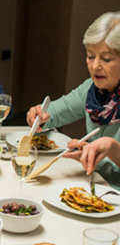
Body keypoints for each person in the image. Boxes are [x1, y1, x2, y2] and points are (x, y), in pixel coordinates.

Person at [26, 11, 120, 189]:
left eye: (106, 59)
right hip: (96, 188)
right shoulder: (92, 89)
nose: (95, 66)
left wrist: (114, 150)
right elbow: (55, 112)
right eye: (91, 56)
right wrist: (39, 116)